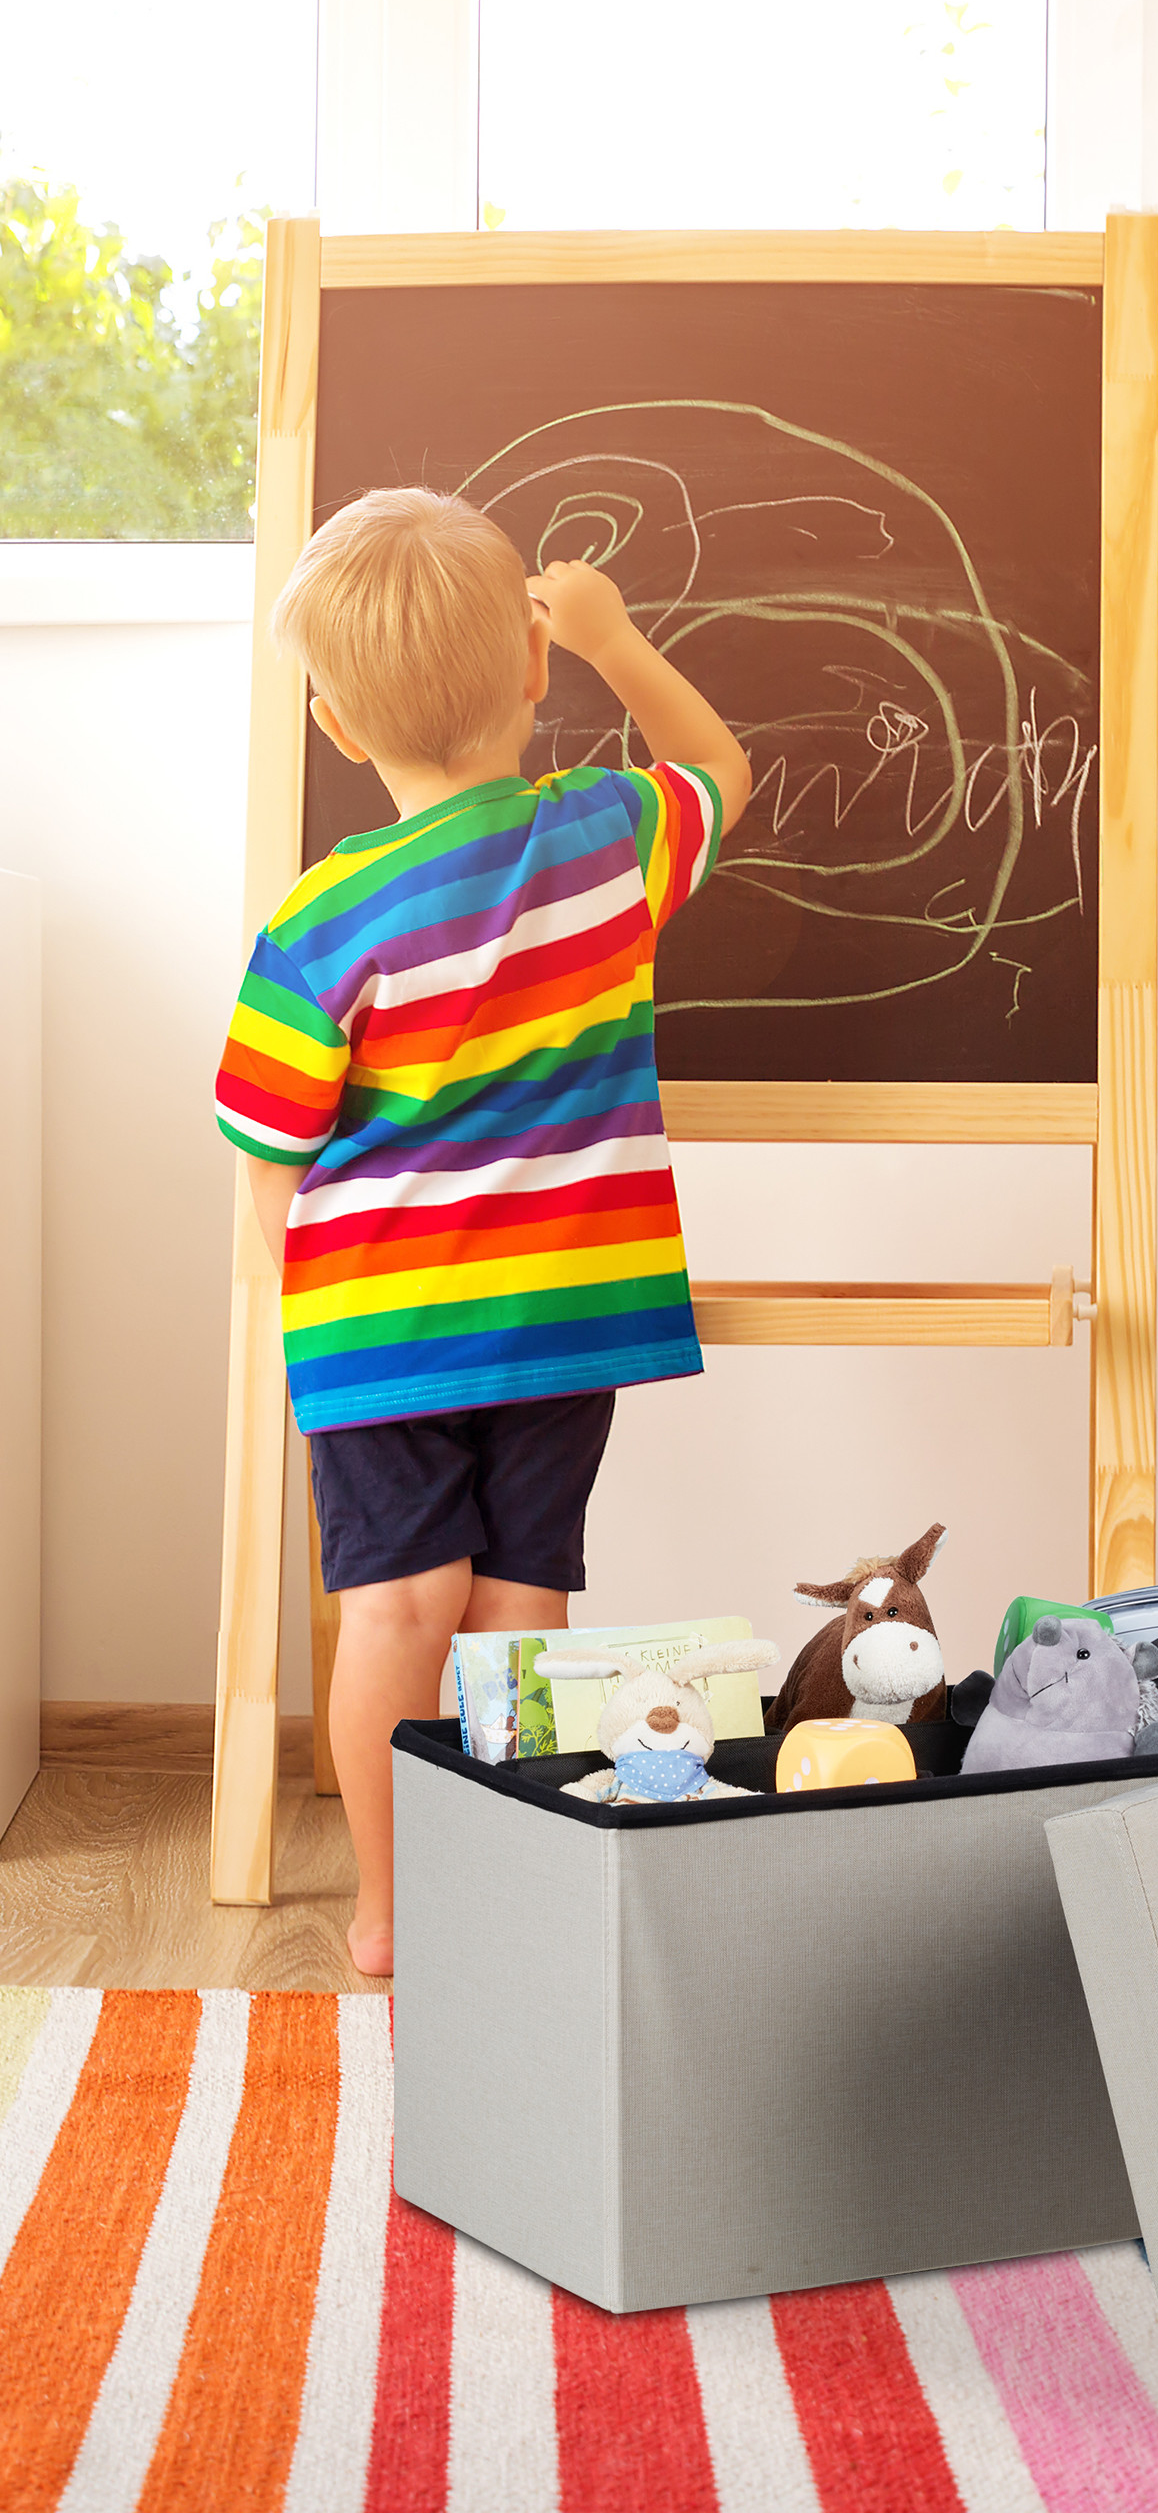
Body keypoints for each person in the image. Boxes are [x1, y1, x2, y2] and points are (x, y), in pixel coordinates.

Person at [214, 489, 749, 1978]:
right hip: (566, 1314)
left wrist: (308, 1311)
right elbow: (720, 770)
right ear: (529, 667)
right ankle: (511, 1893)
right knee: (521, 1608)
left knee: (396, 1606)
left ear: (333, 724)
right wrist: (614, 641)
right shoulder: (608, 838)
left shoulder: (322, 922)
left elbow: (268, 1148)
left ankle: (392, 1909)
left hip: (380, 1329)